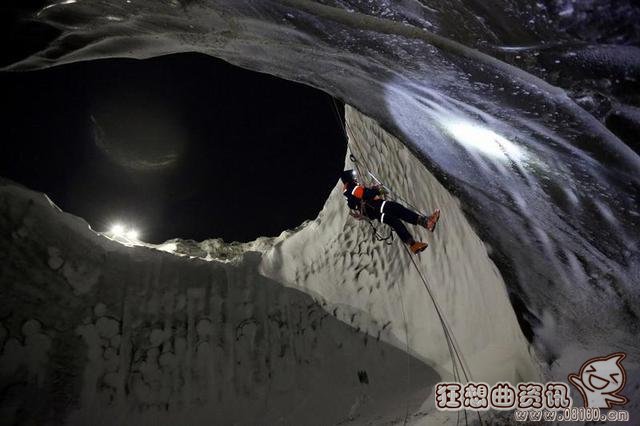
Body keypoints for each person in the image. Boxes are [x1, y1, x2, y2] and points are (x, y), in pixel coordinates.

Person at [341, 169, 440, 254]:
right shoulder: (351, 188)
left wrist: (373, 190)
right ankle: (426, 224)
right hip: (377, 208)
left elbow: (361, 198)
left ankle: (414, 243)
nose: (355, 178)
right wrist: (377, 190)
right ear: (349, 179)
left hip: (375, 211)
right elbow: (365, 194)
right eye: (353, 177)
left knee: (396, 221)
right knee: (399, 210)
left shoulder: (348, 192)